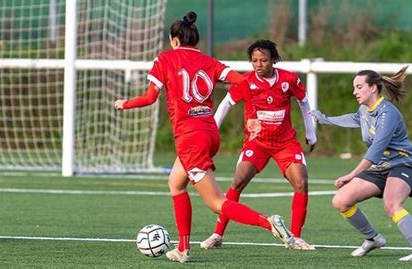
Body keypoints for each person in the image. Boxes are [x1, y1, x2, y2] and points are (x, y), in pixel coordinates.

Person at [114, 12, 294, 263]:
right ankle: (183, 248)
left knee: (216, 202)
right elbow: (243, 82)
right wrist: (251, 115)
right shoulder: (210, 61)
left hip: (189, 138)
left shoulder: (164, 59)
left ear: (174, 40)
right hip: (209, 133)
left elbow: (150, 98)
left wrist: (125, 103)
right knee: (176, 184)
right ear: (195, 41)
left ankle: (268, 223)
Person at [200, 39, 317, 250]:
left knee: (301, 182)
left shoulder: (288, 79)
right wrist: (212, 131)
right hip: (257, 143)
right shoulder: (245, 82)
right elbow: (226, 103)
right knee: (237, 181)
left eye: (263, 60)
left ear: (274, 60)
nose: (259, 65)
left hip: (285, 143)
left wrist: (311, 132)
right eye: (254, 61)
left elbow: (304, 100)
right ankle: (217, 234)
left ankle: (296, 237)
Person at [310, 66, 412, 261]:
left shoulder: (388, 114)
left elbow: (375, 150)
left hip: (403, 164)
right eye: (354, 87)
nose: (354, 92)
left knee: (392, 204)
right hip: (381, 168)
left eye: (359, 87)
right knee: (340, 201)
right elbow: (354, 118)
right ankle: (373, 239)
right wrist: (325, 119)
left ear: (373, 88)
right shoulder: (364, 110)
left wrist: (351, 175)